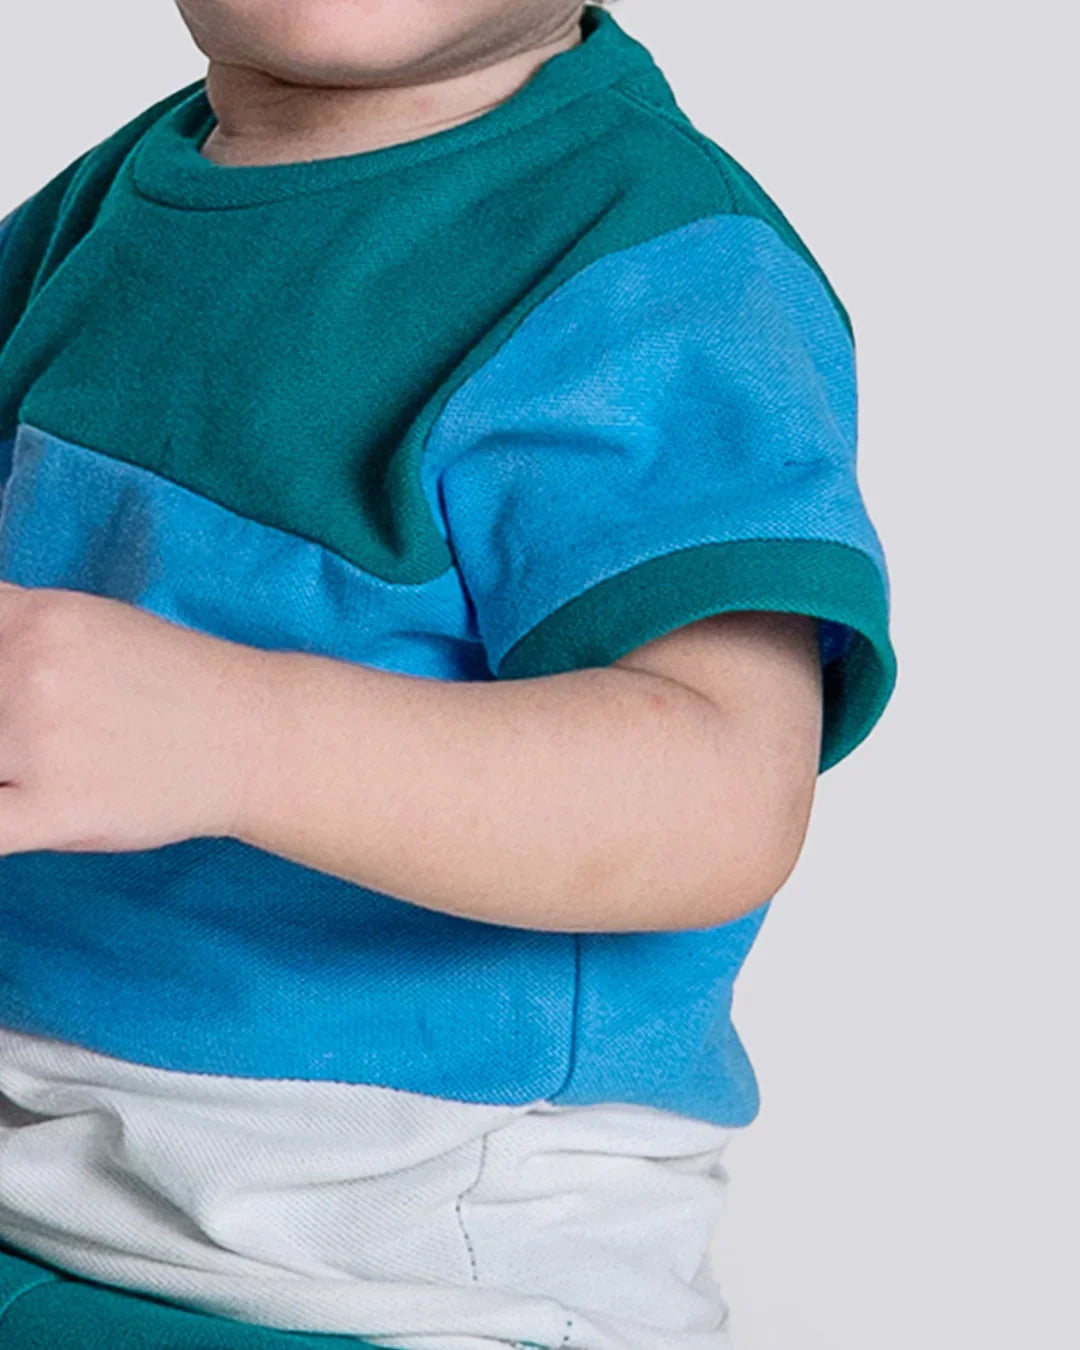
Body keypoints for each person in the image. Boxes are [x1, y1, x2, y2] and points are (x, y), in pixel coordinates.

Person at [0, 2, 897, 1347]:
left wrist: (238, 737)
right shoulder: (107, 210)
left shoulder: (656, 269)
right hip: (55, 1179)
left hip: (383, 1269)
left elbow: (719, 787)